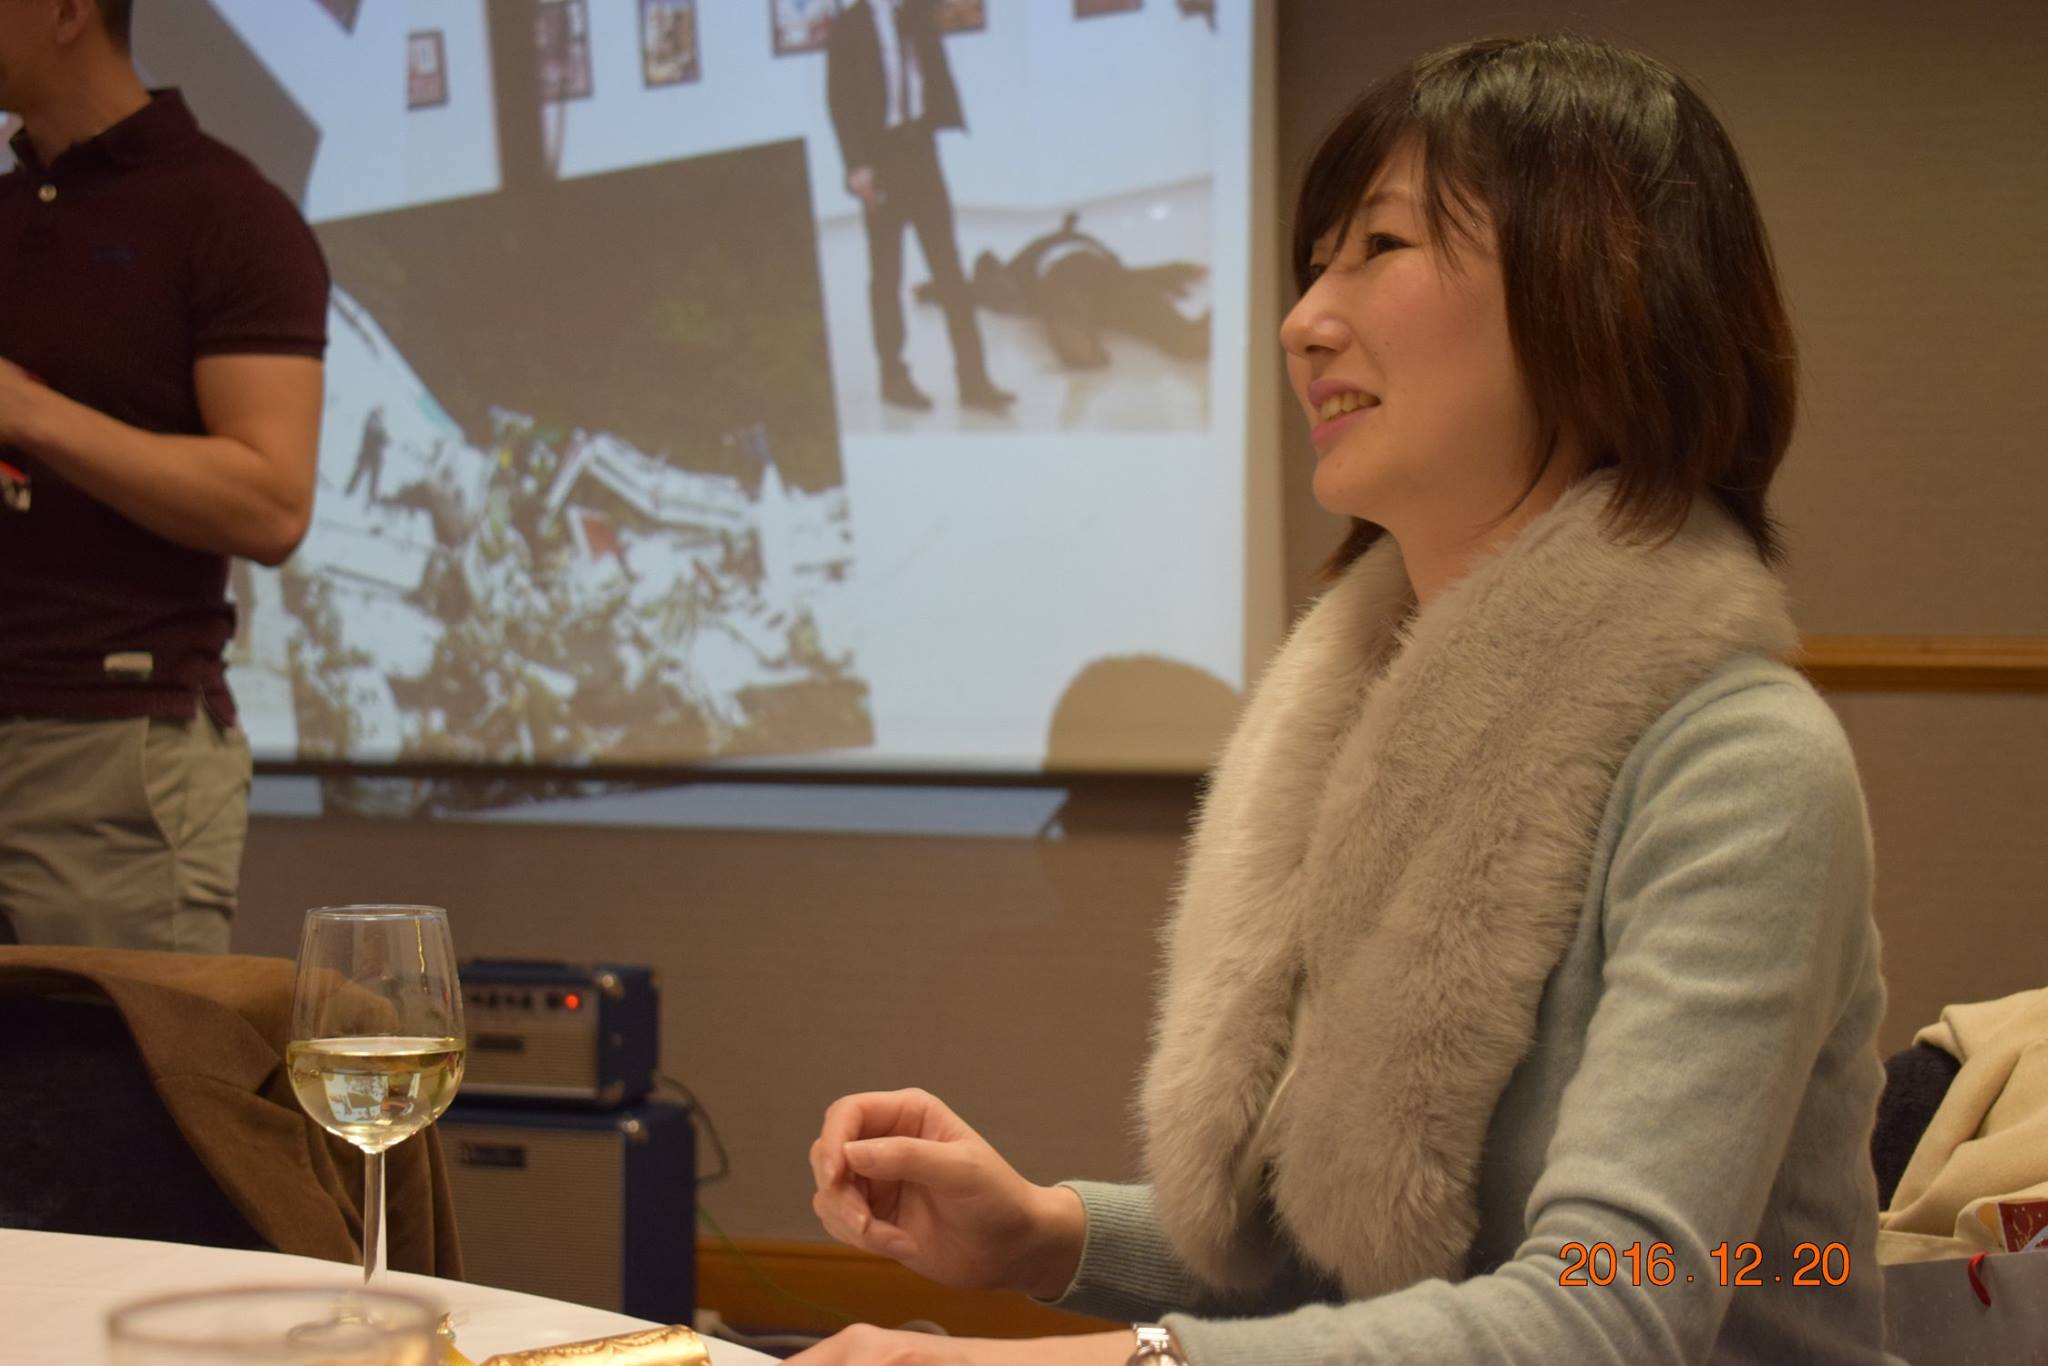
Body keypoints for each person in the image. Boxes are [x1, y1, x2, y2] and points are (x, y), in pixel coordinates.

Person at [799, 34, 1903, 1366]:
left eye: (1380, 246)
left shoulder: (1741, 767)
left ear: (1600, 285)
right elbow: (1351, 1270)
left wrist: (1102, 1361)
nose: (1302, 321)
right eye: (1316, 262)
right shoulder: (1370, 716)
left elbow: (1608, 1305)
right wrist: (1040, 1234)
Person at [0, 0, 329, 952]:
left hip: (110, 756)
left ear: (68, 11)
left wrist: (30, 414)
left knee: (108, 1054)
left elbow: (271, 502)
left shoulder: (228, 215)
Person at [827, 0, 1014, 414]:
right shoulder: (849, 26)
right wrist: (856, 165)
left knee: (949, 269)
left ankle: (973, 379)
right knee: (886, 275)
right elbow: (839, 101)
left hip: (921, 150)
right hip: (880, 158)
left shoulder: (916, 12)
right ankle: (893, 376)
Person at [932, 212, 1210, 371]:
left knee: (1075, 299)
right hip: (1095, 280)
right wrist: (1177, 270)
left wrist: (929, 290)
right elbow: (1132, 274)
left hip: (1075, 274)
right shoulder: (1074, 243)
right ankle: (1185, 336)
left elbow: (975, 289)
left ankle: (1081, 348)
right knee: (1128, 297)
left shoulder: (1028, 257)